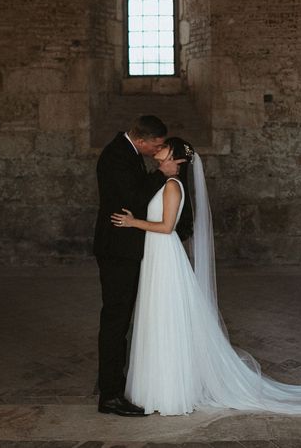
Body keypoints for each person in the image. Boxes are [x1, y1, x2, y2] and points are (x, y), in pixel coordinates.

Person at [111, 137, 301, 416]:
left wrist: (132, 222)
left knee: (166, 319)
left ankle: (168, 392)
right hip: (156, 255)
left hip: (165, 254)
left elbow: (165, 227)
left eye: (164, 148)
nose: (158, 150)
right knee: (156, 317)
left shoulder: (173, 186)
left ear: (175, 158)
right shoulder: (163, 183)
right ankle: (155, 389)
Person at [93, 115, 186, 417]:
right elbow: (131, 198)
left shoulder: (128, 152)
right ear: (142, 139)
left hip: (127, 248)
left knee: (121, 319)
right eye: (156, 145)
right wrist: (162, 174)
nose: (157, 149)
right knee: (116, 320)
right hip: (117, 251)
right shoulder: (116, 156)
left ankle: (112, 383)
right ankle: (109, 395)